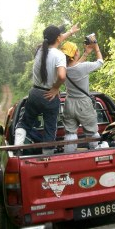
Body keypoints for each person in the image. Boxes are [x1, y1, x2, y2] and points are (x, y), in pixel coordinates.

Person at [14, 23, 80, 155]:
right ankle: (47, 158)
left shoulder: (40, 50)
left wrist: (70, 32)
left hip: (34, 93)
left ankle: (17, 148)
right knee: (50, 129)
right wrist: (56, 88)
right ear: (58, 38)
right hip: (49, 96)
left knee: (24, 123)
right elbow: (62, 76)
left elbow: (55, 39)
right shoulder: (59, 55)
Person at [52, 37, 103, 152]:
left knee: (70, 132)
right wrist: (96, 47)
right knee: (91, 131)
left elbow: (75, 65)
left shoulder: (62, 69)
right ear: (75, 53)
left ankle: (68, 156)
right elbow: (100, 62)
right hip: (83, 103)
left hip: (69, 103)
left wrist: (85, 53)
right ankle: (96, 153)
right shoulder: (83, 67)